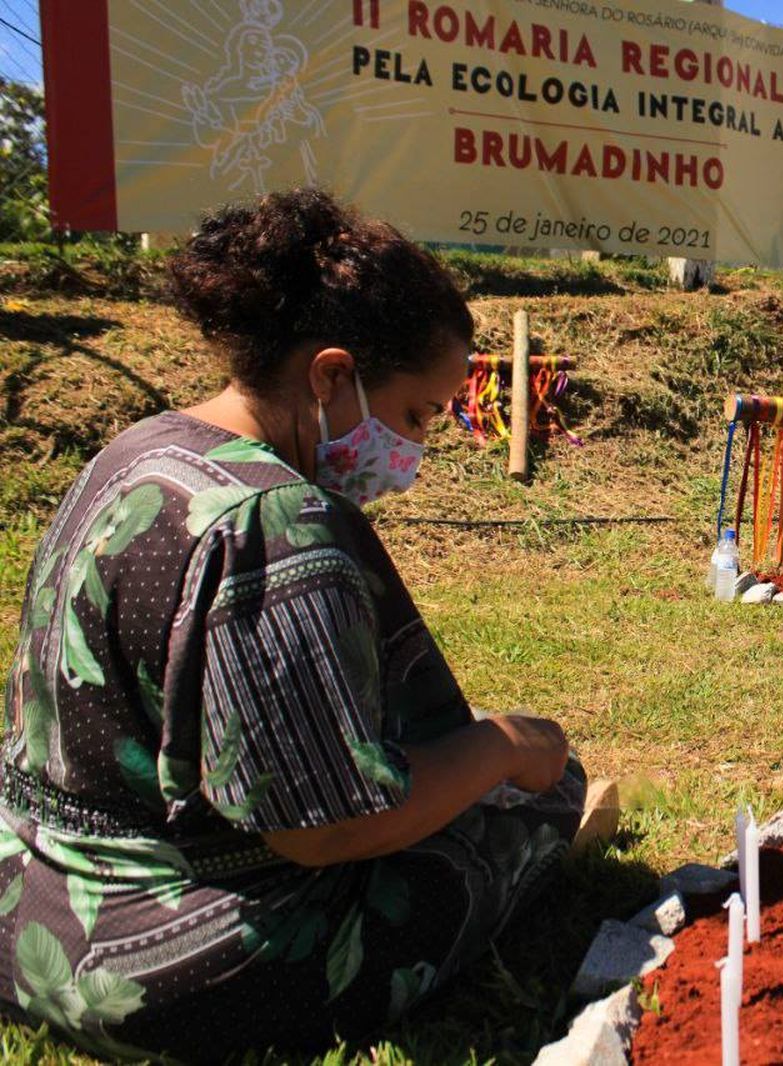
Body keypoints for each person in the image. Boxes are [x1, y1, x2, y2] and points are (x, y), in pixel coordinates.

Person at [0, 188, 593, 1060]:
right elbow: (322, 831)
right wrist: (503, 748)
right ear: (330, 374)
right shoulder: (272, 522)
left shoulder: (141, 448)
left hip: (25, 905)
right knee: (543, 801)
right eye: (418, 416)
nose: (415, 451)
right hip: (156, 969)